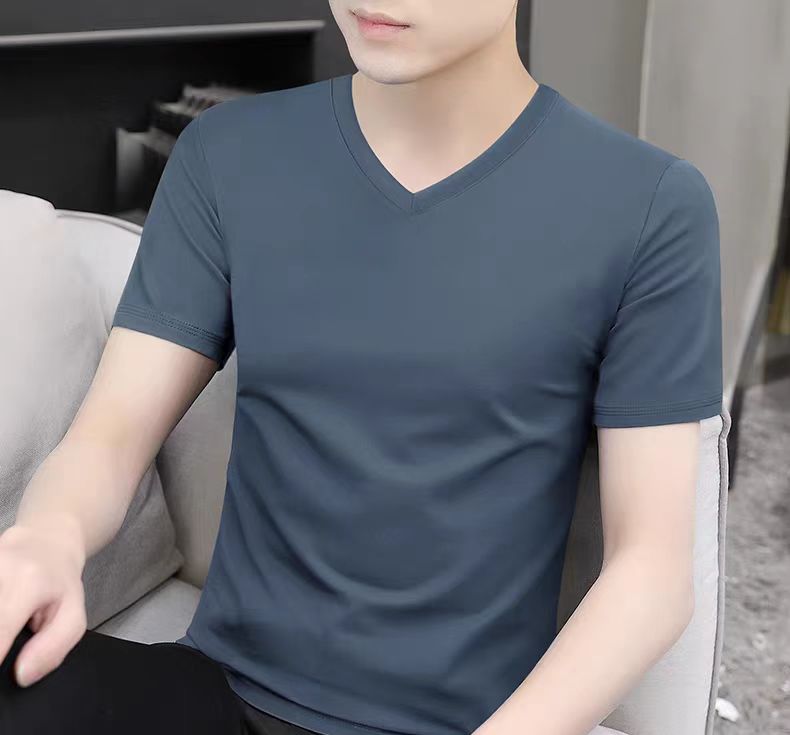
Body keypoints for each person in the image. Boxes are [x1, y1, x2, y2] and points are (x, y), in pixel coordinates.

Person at [0, 1, 724, 734]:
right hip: (218, 694)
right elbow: (110, 435)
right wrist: (48, 538)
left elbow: (652, 571)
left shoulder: (649, 206)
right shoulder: (228, 153)